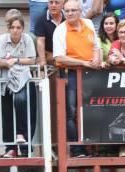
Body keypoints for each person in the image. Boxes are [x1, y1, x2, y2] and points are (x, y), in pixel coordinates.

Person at [53, 0, 101, 158]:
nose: (70, 13)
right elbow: (59, 57)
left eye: (73, 10)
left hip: (91, 73)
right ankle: (76, 148)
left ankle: (94, 148)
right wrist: (83, 63)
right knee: (71, 111)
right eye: (67, 11)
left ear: (80, 11)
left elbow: (96, 46)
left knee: (93, 109)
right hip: (72, 74)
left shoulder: (88, 23)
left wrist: (96, 58)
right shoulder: (60, 30)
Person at [0, 13, 37, 159]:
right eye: (12, 27)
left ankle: (24, 143)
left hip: (24, 79)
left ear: (23, 29)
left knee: (23, 105)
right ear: (8, 28)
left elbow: (32, 60)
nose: (15, 30)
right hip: (6, 79)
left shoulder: (28, 40)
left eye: (18, 27)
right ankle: (10, 147)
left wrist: (15, 60)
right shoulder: (2, 40)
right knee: (6, 114)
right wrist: (7, 63)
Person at [34, 0, 64, 65]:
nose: (53, 5)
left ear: (63, 4)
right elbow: (40, 42)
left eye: (57, 2)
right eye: (51, 2)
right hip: (49, 54)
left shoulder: (68, 16)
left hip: (66, 53)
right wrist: (43, 60)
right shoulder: (41, 19)